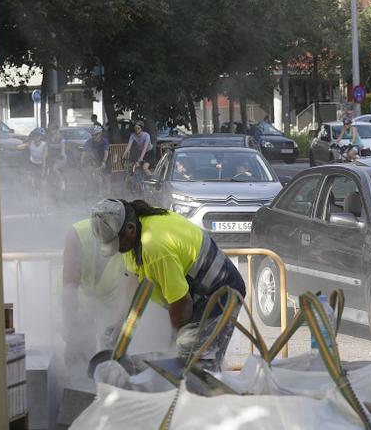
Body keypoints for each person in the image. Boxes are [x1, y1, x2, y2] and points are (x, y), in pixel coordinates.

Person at [90, 198, 246, 372]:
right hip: (194, 293)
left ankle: (208, 383)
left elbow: (181, 303)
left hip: (220, 292)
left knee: (193, 363)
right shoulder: (131, 237)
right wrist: (122, 324)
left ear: (130, 229)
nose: (117, 249)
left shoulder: (154, 245)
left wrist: (173, 346)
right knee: (182, 357)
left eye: (116, 243)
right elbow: (134, 282)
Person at [61, 218, 134, 368]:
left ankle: (109, 375)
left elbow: (128, 286)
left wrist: (120, 321)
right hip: (79, 300)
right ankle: (76, 377)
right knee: (78, 348)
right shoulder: (78, 233)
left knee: (111, 350)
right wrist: (70, 320)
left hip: (110, 301)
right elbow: (70, 283)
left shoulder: (127, 240)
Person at [81, 125, 111, 194]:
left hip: (105, 159)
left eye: (95, 135)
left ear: (100, 134)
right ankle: (96, 190)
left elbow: (106, 152)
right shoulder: (90, 141)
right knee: (93, 173)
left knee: (107, 177)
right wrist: (81, 161)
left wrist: (104, 162)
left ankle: (108, 193)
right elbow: (84, 151)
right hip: (96, 159)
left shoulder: (104, 140)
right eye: (92, 135)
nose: (93, 136)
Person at [123, 121, 153, 185]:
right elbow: (128, 147)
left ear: (141, 129)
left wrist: (141, 158)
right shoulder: (133, 135)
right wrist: (123, 156)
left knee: (145, 168)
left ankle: (152, 182)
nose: (136, 129)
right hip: (141, 152)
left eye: (138, 128)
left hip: (149, 152)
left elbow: (145, 148)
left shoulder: (146, 135)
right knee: (135, 166)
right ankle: (139, 183)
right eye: (135, 128)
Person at [46, 124, 68, 192]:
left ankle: (62, 181)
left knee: (54, 168)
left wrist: (62, 153)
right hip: (51, 157)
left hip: (60, 157)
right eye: (50, 129)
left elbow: (63, 147)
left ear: (56, 130)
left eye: (52, 129)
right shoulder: (48, 138)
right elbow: (46, 148)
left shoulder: (61, 137)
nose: (51, 131)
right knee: (46, 169)